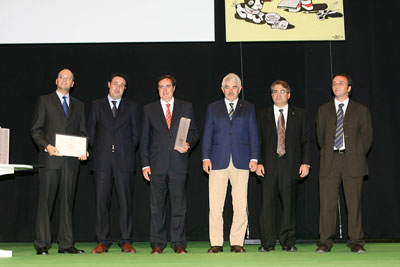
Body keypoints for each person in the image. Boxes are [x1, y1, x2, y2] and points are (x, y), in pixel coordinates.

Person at [140, 74, 199, 254]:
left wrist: (188, 143)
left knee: (179, 206)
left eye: (167, 86)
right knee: (156, 207)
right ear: (157, 90)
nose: (164, 90)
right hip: (157, 165)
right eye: (161, 87)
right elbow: (144, 140)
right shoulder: (149, 109)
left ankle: (178, 243)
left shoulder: (186, 107)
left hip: (178, 164)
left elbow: (194, 133)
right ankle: (157, 243)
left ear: (174, 88)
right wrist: (145, 164)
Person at [31, 68, 88, 255]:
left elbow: (82, 132)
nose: (65, 80)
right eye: (62, 77)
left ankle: (66, 244)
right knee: (45, 203)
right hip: (50, 160)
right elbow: (36, 131)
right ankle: (42, 244)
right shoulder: (44, 101)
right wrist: (47, 146)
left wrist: (84, 149)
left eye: (69, 78)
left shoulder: (79, 105)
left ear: (73, 84)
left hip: (71, 163)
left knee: (67, 203)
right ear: (56, 81)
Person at [316, 74, 373, 253]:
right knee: (327, 203)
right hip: (330, 161)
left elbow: (367, 138)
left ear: (349, 88)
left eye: (341, 83)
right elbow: (321, 137)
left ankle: (356, 241)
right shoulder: (323, 110)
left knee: (354, 203)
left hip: (353, 161)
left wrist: (354, 154)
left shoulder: (361, 110)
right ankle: (325, 242)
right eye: (333, 83)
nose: (336, 86)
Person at [202, 73, 258, 253]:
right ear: (222, 89)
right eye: (228, 87)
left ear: (240, 89)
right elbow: (207, 134)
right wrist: (205, 157)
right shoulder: (213, 108)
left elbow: (253, 134)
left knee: (240, 204)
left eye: (234, 87)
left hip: (242, 161)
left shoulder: (248, 108)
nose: (231, 90)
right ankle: (216, 242)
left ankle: (237, 242)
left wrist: (254, 158)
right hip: (217, 161)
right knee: (215, 205)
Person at [87, 74, 140, 254]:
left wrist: (122, 151)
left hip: (124, 161)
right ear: (108, 84)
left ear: (125, 89)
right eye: (115, 84)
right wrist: (103, 150)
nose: (118, 87)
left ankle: (125, 240)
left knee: (125, 202)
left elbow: (136, 135)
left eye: (122, 85)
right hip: (102, 161)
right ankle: (102, 241)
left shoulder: (132, 107)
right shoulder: (96, 106)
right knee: (101, 202)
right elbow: (91, 133)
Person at [256, 80, 311, 252]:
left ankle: (288, 242)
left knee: (289, 206)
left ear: (289, 94)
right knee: (267, 207)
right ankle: (267, 243)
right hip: (268, 167)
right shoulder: (261, 115)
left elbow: (306, 141)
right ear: (271, 95)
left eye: (282, 91)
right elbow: (256, 141)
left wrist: (306, 162)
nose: (278, 94)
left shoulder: (300, 114)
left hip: (291, 166)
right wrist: (257, 162)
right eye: (275, 91)